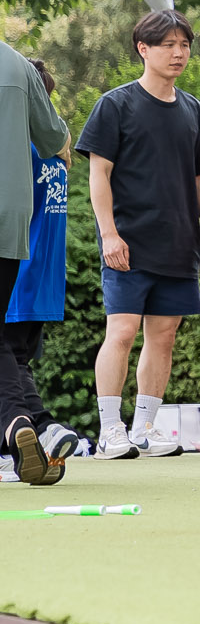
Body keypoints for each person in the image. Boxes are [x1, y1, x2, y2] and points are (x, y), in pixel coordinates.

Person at [81, 9, 200, 461]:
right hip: (128, 243)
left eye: (184, 45)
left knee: (164, 337)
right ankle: (109, 431)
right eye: (168, 45)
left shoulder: (193, 108)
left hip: (178, 243)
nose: (178, 53)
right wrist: (109, 234)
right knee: (121, 333)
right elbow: (98, 173)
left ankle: (143, 428)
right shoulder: (115, 104)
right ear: (144, 49)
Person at [0, 36, 69, 486]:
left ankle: (18, 424)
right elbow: (53, 138)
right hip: (10, 222)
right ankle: (26, 423)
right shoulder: (17, 64)